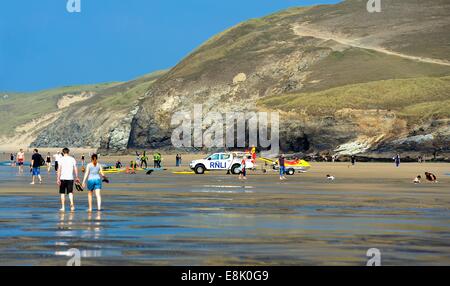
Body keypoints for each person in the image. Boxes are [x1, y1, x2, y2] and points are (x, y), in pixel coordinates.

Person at [57, 148, 79, 212]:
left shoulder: (60, 159)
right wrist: (77, 177)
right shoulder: (72, 159)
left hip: (62, 178)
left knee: (62, 193)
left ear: (63, 152)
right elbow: (75, 168)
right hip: (70, 178)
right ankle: (72, 204)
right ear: (68, 152)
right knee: (70, 192)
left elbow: (59, 169)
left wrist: (58, 178)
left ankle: (63, 207)